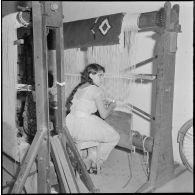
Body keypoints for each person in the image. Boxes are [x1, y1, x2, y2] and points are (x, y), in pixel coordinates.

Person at [65, 63, 120, 174]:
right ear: (91, 75)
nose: (102, 79)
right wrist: (112, 106)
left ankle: (90, 157)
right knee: (114, 137)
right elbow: (104, 115)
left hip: (71, 124)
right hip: (83, 125)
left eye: (103, 76)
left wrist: (101, 103)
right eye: (100, 75)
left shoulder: (80, 87)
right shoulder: (96, 90)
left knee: (97, 134)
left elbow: (84, 104)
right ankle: (95, 161)